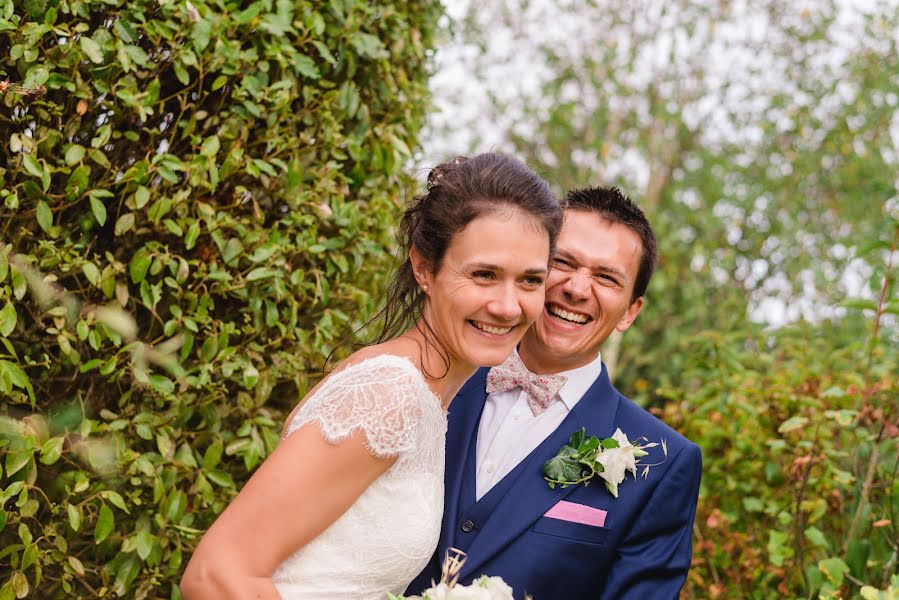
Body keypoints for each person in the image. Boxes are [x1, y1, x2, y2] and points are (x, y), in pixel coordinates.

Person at [178, 153, 562, 599]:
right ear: (423, 267)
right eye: (483, 275)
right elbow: (216, 575)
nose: (508, 306)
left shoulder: (430, 396)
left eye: (531, 281)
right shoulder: (388, 393)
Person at [407, 187, 702, 600]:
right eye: (562, 262)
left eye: (606, 277)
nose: (577, 289)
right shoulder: (423, 384)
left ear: (630, 312)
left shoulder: (664, 462)